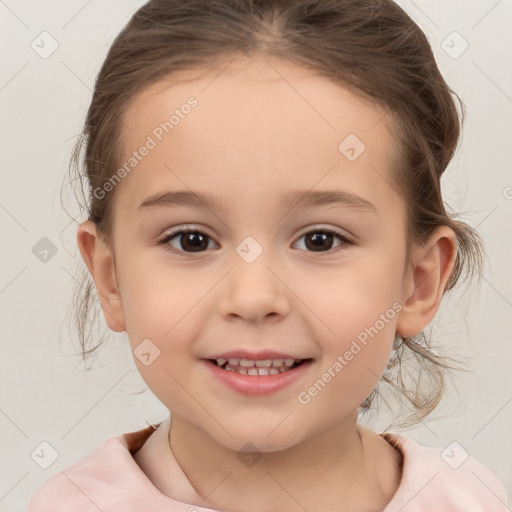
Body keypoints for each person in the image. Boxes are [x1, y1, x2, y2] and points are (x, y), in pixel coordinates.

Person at [28, 0, 509, 510]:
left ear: (418, 282)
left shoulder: (467, 498)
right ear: (111, 278)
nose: (253, 297)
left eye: (320, 239)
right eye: (191, 239)